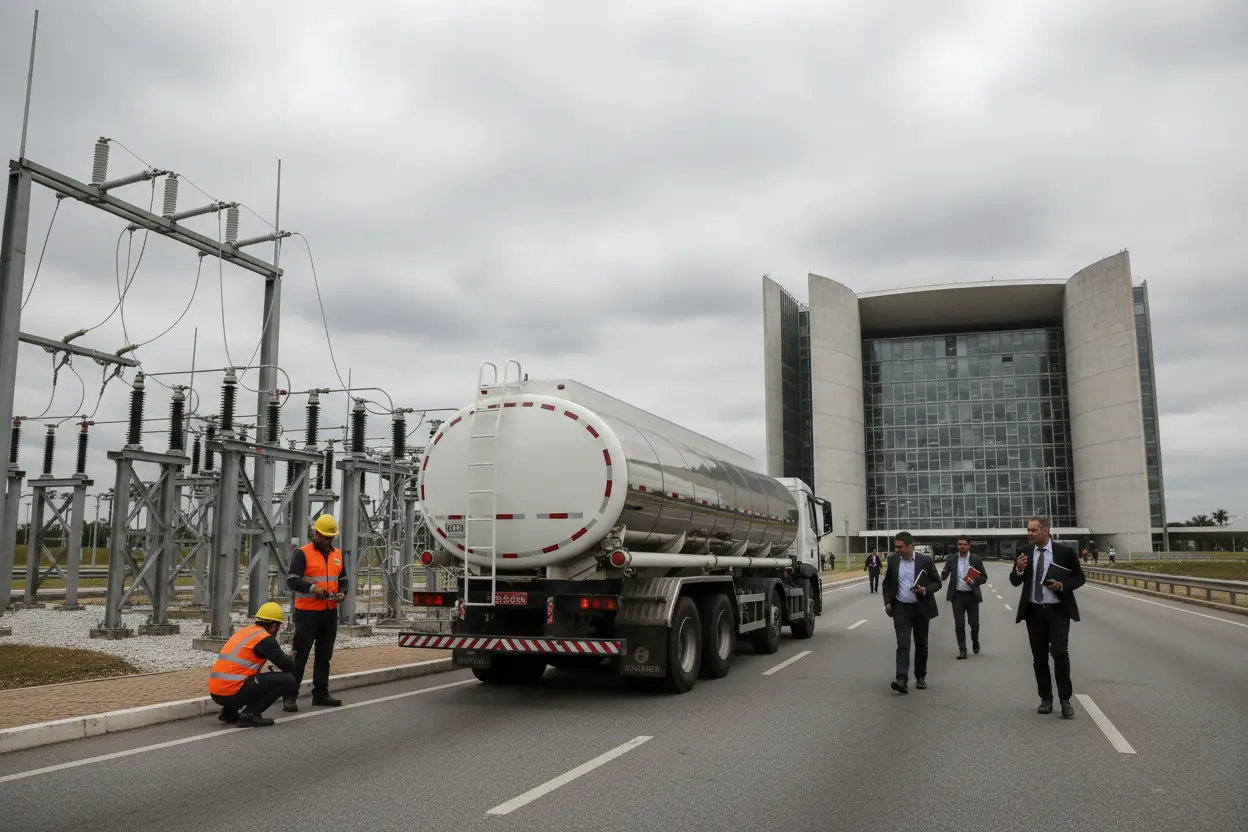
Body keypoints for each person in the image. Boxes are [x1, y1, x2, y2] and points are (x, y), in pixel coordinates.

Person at [1009, 515, 1085, 718]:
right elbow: (1014, 581)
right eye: (1028, 530)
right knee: (1039, 658)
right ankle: (1045, 698)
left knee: (1059, 653)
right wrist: (1018, 569)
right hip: (1034, 612)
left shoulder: (1064, 552)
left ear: (1045, 531)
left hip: (1058, 611)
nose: (1029, 534)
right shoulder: (1024, 552)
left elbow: (1079, 577)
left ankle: (1065, 700)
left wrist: (1062, 585)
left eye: (1033, 530)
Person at [284, 513, 347, 713]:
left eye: (330, 538)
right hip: (307, 613)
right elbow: (292, 580)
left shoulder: (338, 554)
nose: (327, 541)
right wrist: (313, 589)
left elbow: (343, 579)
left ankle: (320, 694)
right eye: (324, 537)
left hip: (329, 612)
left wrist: (342, 594)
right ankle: (290, 696)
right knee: (300, 655)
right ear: (316, 533)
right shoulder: (302, 553)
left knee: (324, 655)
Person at [208, 602, 299, 727]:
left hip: (216, 692)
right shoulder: (265, 639)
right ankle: (250, 714)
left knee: (251, 677)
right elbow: (288, 666)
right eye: (278, 627)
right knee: (287, 679)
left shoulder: (244, 632)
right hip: (232, 692)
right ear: (274, 625)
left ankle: (229, 712)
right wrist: (290, 659)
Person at [881, 531, 942, 694]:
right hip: (901, 608)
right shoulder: (893, 560)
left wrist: (924, 590)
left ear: (910, 546)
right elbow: (887, 583)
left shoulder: (925, 561)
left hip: (921, 608)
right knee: (903, 643)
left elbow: (937, 583)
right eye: (896, 547)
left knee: (921, 644)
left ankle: (920, 677)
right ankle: (902, 679)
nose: (897, 550)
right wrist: (888, 601)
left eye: (900, 547)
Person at [940, 534, 988, 659]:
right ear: (957, 545)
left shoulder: (976, 559)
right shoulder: (951, 558)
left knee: (974, 623)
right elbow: (943, 575)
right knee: (959, 624)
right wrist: (944, 570)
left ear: (969, 546)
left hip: (972, 595)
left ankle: (975, 640)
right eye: (960, 544)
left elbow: (984, 578)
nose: (962, 546)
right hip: (957, 596)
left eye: (964, 544)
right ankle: (962, 649)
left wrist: (974, 582)